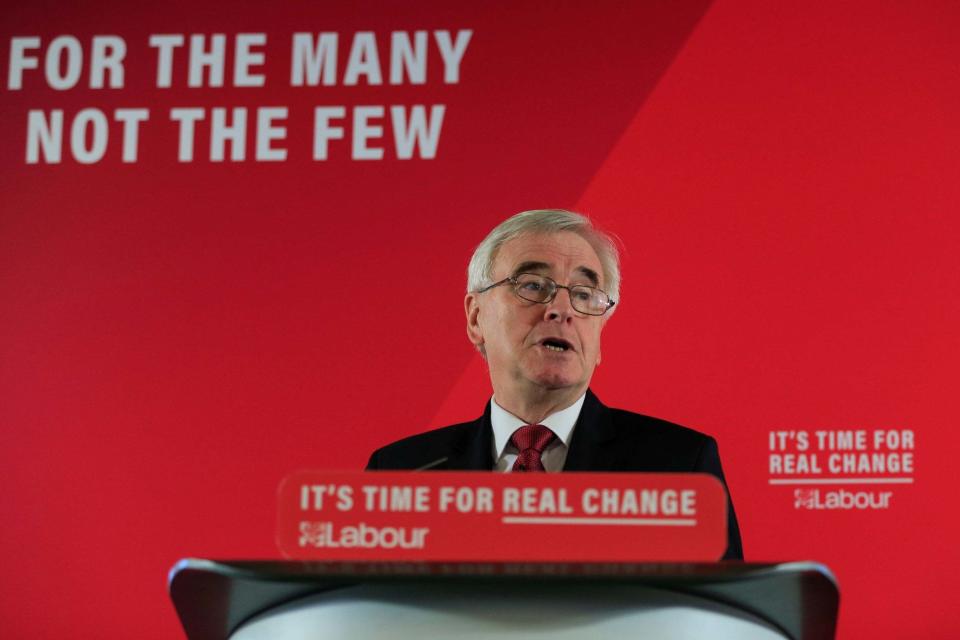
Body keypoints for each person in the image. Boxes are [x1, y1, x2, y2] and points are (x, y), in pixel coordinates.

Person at [366, 209, 743, 560]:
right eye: (532, 285)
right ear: (476, 317)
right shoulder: (401, 475)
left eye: (583, 294)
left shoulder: (677, 468)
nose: (562, 309)